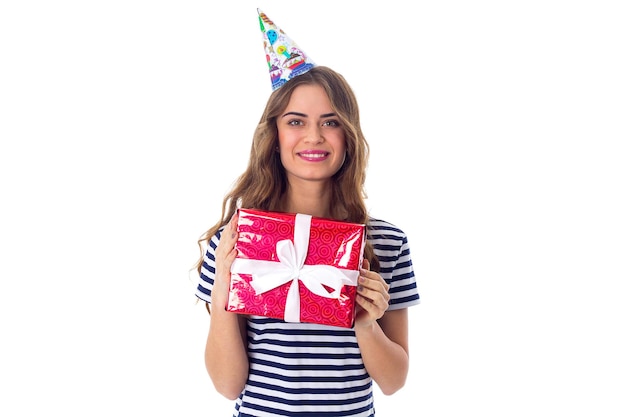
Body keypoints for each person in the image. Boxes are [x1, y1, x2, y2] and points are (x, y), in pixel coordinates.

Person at [194, 9, 420, 416]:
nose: (313, 136)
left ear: (348, 136)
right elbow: (228, 386)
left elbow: (393, 381)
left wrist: (365, 324)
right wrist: (224, 285)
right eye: (296, 121)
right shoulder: (236, 239)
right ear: (274, 135)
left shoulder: (387, 242)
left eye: (330, 122)